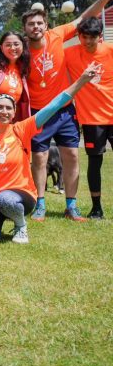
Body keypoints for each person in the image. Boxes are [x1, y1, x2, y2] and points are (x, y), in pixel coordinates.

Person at [23, 0, 113, 221]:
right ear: (25, 29)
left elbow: (84, 17)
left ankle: (71, 205)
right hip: (40, 112)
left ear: (46, 24)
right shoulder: (20, 50)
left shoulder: (57, 35)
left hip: (65, 109)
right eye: (31, 24)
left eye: (40, 23)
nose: (36, 27)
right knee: (40, 158)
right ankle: (40, 204)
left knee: (72, 155)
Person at [0, 65, 98, 244]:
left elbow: (53, 106)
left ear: (13, 113)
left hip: (19, 195)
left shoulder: (21, 129)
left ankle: (20, 224)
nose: (4, 111)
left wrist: (81, 81)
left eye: (8, 108)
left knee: (6, 199)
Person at [65, 16, 113, 219]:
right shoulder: (69, 54)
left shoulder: (110, 52)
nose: (88, 42)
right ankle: (96, 208)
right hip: (92, 119)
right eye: (84, 37)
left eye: (92, 38)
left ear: (100, 36)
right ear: (79, 36)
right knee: (95, 162)